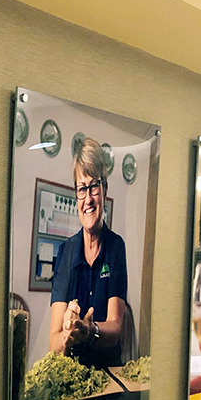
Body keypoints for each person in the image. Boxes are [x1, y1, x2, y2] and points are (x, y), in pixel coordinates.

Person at [48, 137, 128, 368]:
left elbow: (115, 327)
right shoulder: (66, 253)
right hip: (72, 371)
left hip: (109, 370)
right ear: (76, 196)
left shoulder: (116, 248)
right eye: (82, 189)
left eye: (94, 186)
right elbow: (53, 339)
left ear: (104, 189)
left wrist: (89, 331)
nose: (88, 199)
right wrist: (68, 334)